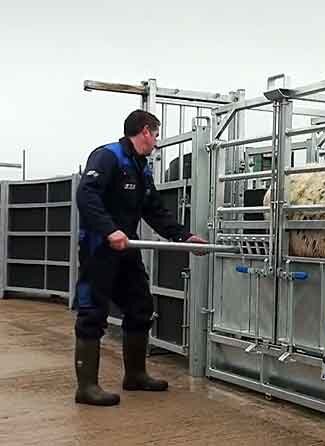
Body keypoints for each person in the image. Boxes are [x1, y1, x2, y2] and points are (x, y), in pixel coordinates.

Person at [73, 109, 207, 406]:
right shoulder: (108, 157)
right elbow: (87, 195)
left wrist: (183, 237)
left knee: (141, 306)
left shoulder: (141, 167)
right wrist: (110, 231)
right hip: (100, 248)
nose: (156, 141)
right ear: (145, 131)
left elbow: (154, 209)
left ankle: (135, 375)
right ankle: (86, 388)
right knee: (92, 312)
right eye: (156, 134)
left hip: (126, 249)